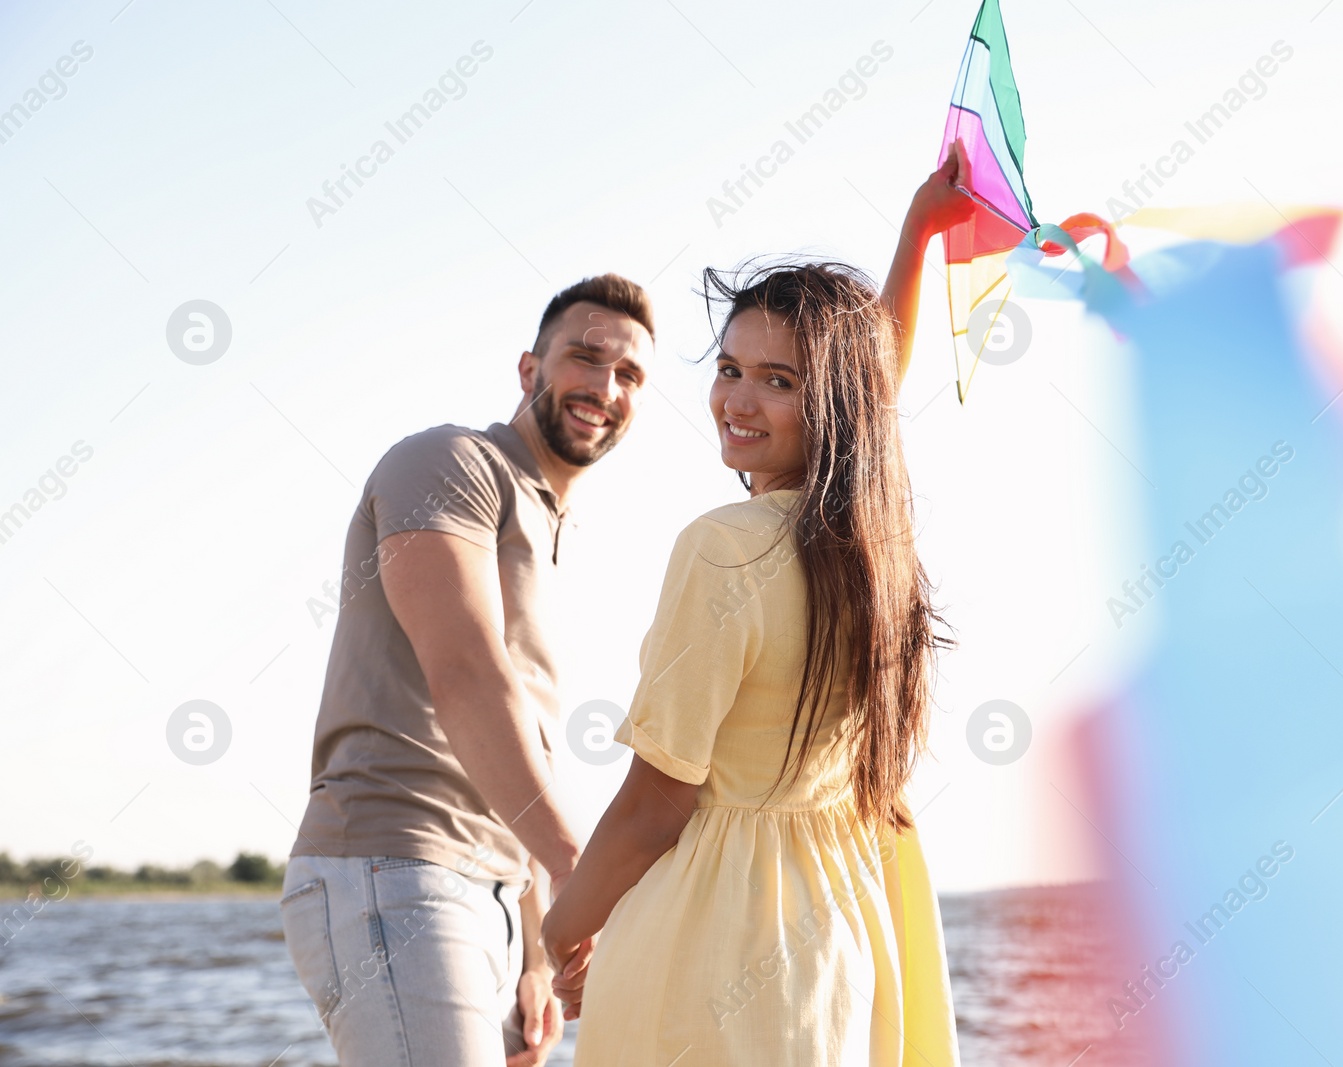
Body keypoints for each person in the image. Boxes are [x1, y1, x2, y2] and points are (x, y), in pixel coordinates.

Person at [538, 155, 978, 1065]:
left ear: (830, 401)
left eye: (779, 381)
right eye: (731, 367)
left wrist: (561, 928)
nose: (738, 400)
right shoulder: (875, 555)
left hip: (710, 944)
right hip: (841, 942)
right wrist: (918, 231)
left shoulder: (724, 545)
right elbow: (869, 388)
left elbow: (661, 797)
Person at [279, 273, 655, 1067]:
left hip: (493, 895)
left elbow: (523, 743)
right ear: (529, 368)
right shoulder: (449, 463)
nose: (604, 385)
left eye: (629, 375)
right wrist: (583, 876)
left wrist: (535, 953)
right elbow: (467, 674)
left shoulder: (558, 532)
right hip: (396, 867)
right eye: (584, 358)